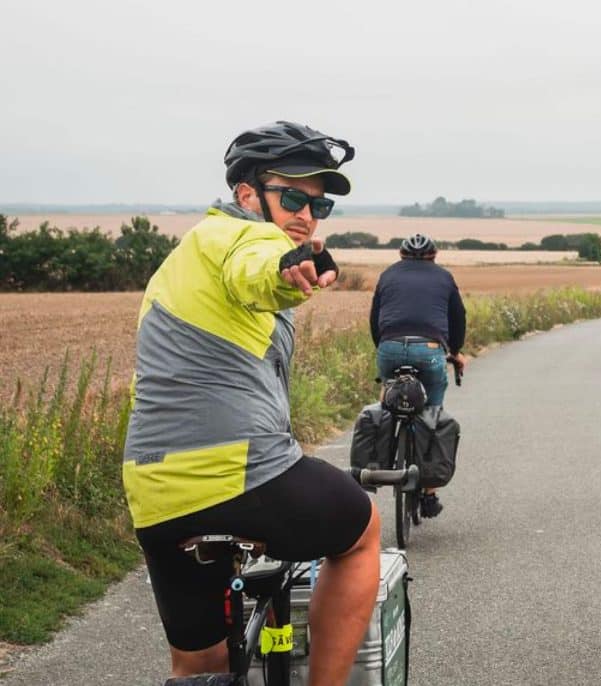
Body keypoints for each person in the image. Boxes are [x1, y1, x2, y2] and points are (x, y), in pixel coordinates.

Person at [123, 121, 382, 686]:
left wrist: (289, 269)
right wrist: (289, 271)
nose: (306, 215)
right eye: (292, 197)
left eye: (319, 205)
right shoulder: (249, 239)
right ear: (247, 195)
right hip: (240, 473)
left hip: (154, 490)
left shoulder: (183, 260)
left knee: (198, 663)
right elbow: (261, 271)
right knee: (362, 531)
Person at [370, 232, 467, 518]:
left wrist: (385, 348)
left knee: (387, 398)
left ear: (401, 256)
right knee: (432, 412)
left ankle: (379, 460)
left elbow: (375, 319)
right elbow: (457, 319)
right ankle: (429, 494)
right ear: (434, 256)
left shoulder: (387, 275)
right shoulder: (444, 277)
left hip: (389, 347)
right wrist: (456, 351)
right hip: (429, 349)